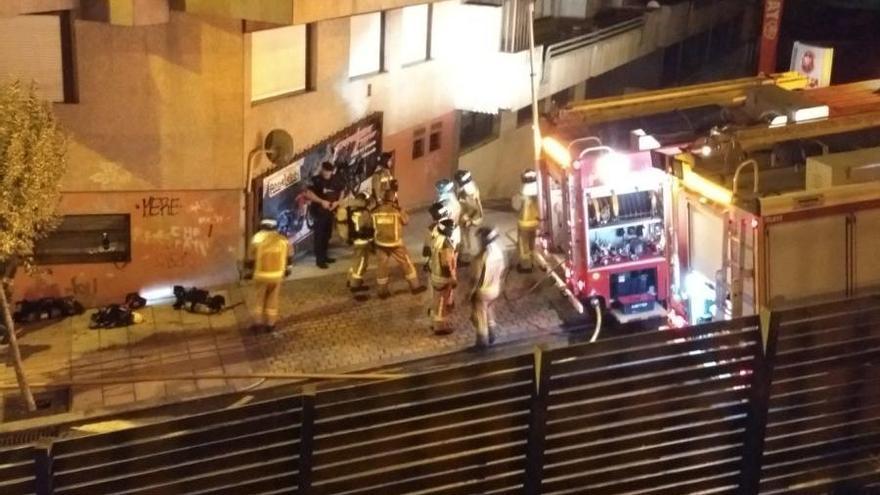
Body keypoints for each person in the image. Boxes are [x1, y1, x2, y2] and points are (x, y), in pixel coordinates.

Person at [372, 185, 425, 299]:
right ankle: (415, 287)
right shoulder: (396, 211)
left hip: (380, 244)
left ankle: (382, 292)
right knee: (406, 263)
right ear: (394, 198)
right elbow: (406, 221)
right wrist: (401, 209)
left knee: (382, 267)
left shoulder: (375, 211)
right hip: (396, 244)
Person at [245, 219, 292, 332]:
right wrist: (287, 270)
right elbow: (289, 257)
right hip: (277, 276)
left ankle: (257, 324)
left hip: (261, 275)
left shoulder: (257, 238)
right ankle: (271, 325)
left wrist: (249, 271)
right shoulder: (283, 240)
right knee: (273, 299)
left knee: (258, 300)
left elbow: (250, 259)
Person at [470, 226, 505, 348]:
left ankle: (482, 340)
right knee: (490, 310)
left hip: (483, 291)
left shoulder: (480, 258)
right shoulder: (498, 253)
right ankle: (492, 333)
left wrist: (470, 293)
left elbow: (476, 278)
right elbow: (502, 271)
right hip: (495, 289)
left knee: (480, 315)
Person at [305, 162, 342, 269]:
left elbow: (341, 190)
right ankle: (319, 260)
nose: (327, 173)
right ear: (322, 170)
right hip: (319, 212)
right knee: (319, 236)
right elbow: (308, 193)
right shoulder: (316, 180)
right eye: (325, 171)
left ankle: (325, 256)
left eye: (329, 172)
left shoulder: (335, 179)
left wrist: (337, 202)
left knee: (327, 235)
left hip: (330, 211)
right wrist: (321, 201)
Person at [428, 219, 458, 335]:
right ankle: (440, 327)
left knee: (435, 300)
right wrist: (452, 278)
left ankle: (433, 322)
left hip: (435, 274)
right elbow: (446, 263)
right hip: (442, 277)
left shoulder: (437, 239)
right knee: (442, 302)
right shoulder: (445, 243)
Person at [347, 192, 373, 298]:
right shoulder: (364, 212)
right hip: (362, 241)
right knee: (362, 263)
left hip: (355, 241)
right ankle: (355, 285)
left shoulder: (351, 210)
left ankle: (350, 279)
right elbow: (369, 227)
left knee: (356, 261)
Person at [454, 170, 484, 265]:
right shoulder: (471, 186)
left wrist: (467, 218)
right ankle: (465, 256)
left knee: (465, 237)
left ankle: (465, 258)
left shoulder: (467, 191)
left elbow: (473, 207)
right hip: (470, 215)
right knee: (465, 237)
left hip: (468, 217)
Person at [517, 169, 540, 273]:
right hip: (536, 222)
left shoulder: (523, 192)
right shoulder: (539, 190)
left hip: (524, 223)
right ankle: (535, 262)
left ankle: (526, 266)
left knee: (524, 245)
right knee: (533, 243)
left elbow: (516, 206)